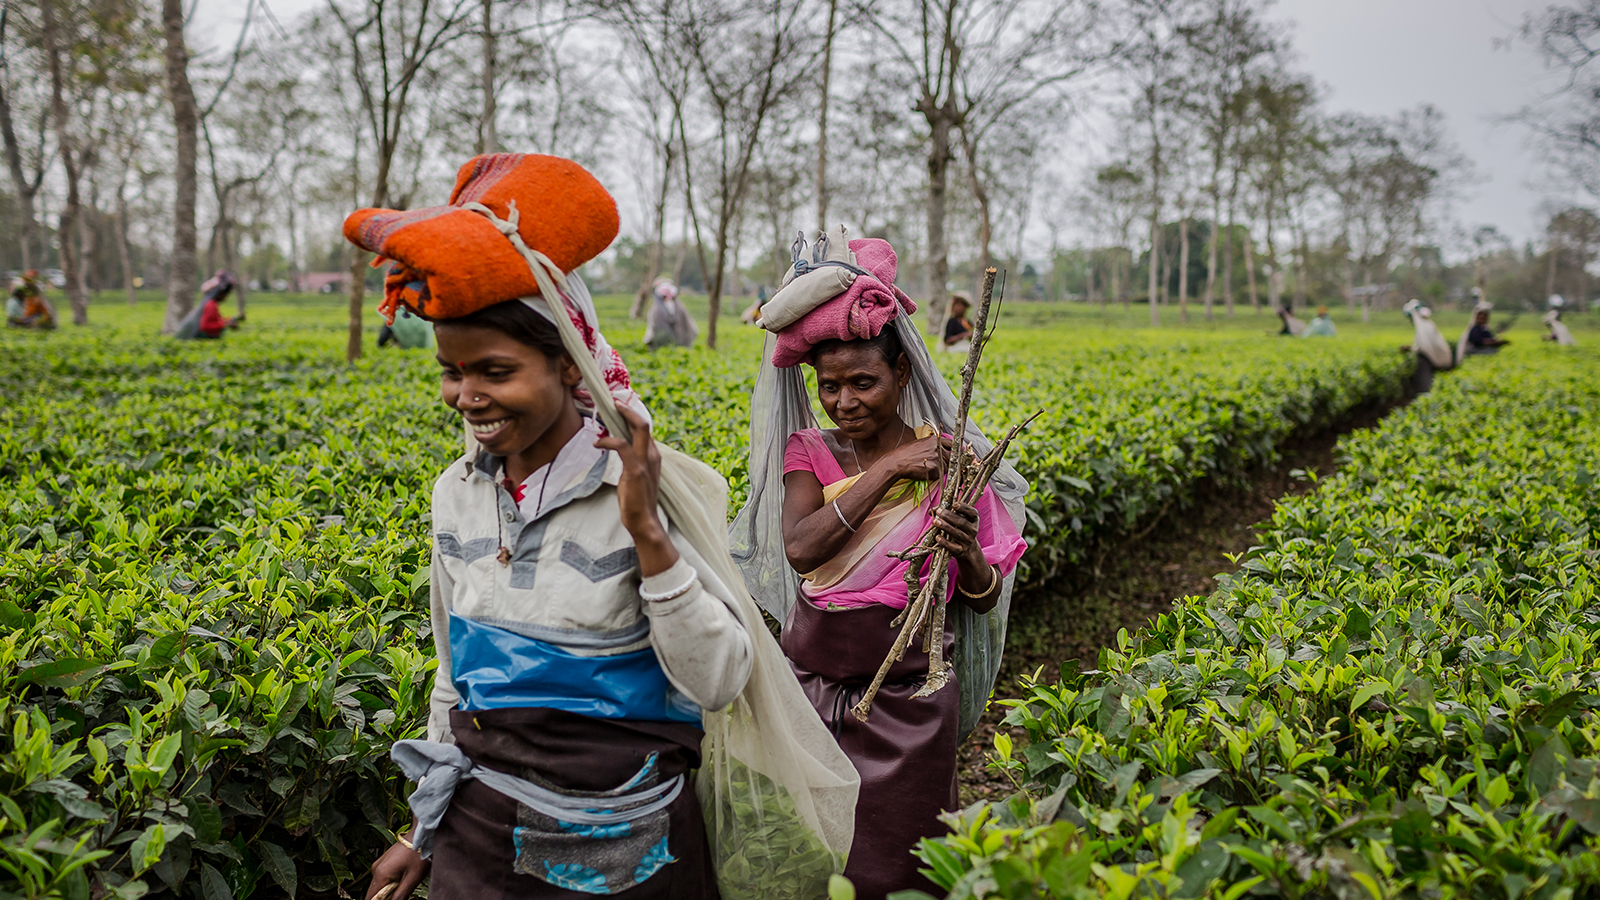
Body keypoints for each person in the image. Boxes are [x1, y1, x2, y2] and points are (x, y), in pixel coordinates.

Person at [346, 153, 856, 900]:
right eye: (453, 372)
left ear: (567, 365)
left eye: (495, 370)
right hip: (480, 842)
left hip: (630, 853)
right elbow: (458, 677)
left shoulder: (639, 488)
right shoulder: (454, 497)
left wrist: (648, 535)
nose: (467, 396)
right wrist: (419, 830)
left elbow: (718, 682)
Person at [729, 236, 1028, 900]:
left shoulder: (948, 459)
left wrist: (968, 551)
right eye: (829, 386)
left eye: (863, 382)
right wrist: (891, 469)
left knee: (903, 863)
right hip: (813, 692)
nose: (844, 401)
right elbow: (803, 548)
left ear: (901, 376)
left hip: (910, 701)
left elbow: (982, 596)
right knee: (814, 856)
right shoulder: (809, 449)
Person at [1401, 299, 1454, 394]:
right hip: (1436, 357)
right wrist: (1411, 348)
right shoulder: (1428, 324)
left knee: (1424, 384)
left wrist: (1413, 349)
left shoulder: (1426, 326)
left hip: (1428, 359)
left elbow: (1424, 347)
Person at [643, 278, 698, 349]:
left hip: (679, 336)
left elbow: (688, 321)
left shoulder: (679, 306)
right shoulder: (656, 309)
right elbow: (652, 325)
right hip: (663, 338)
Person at [191, 271, 243, 339]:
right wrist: (225, 324)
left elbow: (215, 320)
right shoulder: (211, 305)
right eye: (225, 294)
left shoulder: (212, 304)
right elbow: (205, 326)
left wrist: (231, 319)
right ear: (220, 293)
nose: (225, 297)